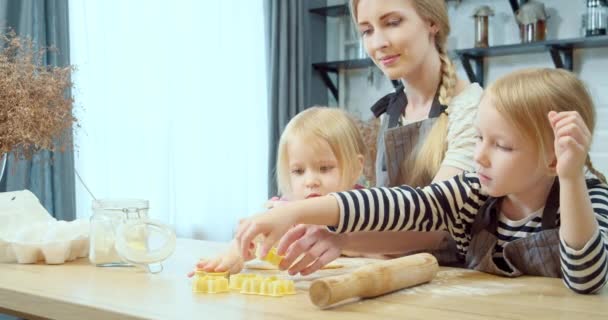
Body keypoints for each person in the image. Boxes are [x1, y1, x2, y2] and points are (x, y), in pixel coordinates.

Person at [236, 68, 608, 294]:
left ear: (553, 158)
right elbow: (401, 204)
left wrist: (571, 178)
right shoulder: (472, 194)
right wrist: (297, 214)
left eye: (502, 146)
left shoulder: (589, 201)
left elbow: (586, 278)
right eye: (479, 138)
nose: (479, 156)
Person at [273, 0, 485, 275]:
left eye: (392, 23)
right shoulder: (392, 112)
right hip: (399, 271)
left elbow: (435, 223)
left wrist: (343, 237)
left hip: (456, 277)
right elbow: (386, 209)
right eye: (367, 30)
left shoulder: (473, 110)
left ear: (432, 22)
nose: (378, 43)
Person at [189, 106, 366, 275]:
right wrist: (234, 255)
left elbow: (390, 249)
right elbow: (250, 239)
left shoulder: (368, 209)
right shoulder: (282, 211)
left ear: (356, 168)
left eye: (325, 168)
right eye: (298, 171)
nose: (310, 181)